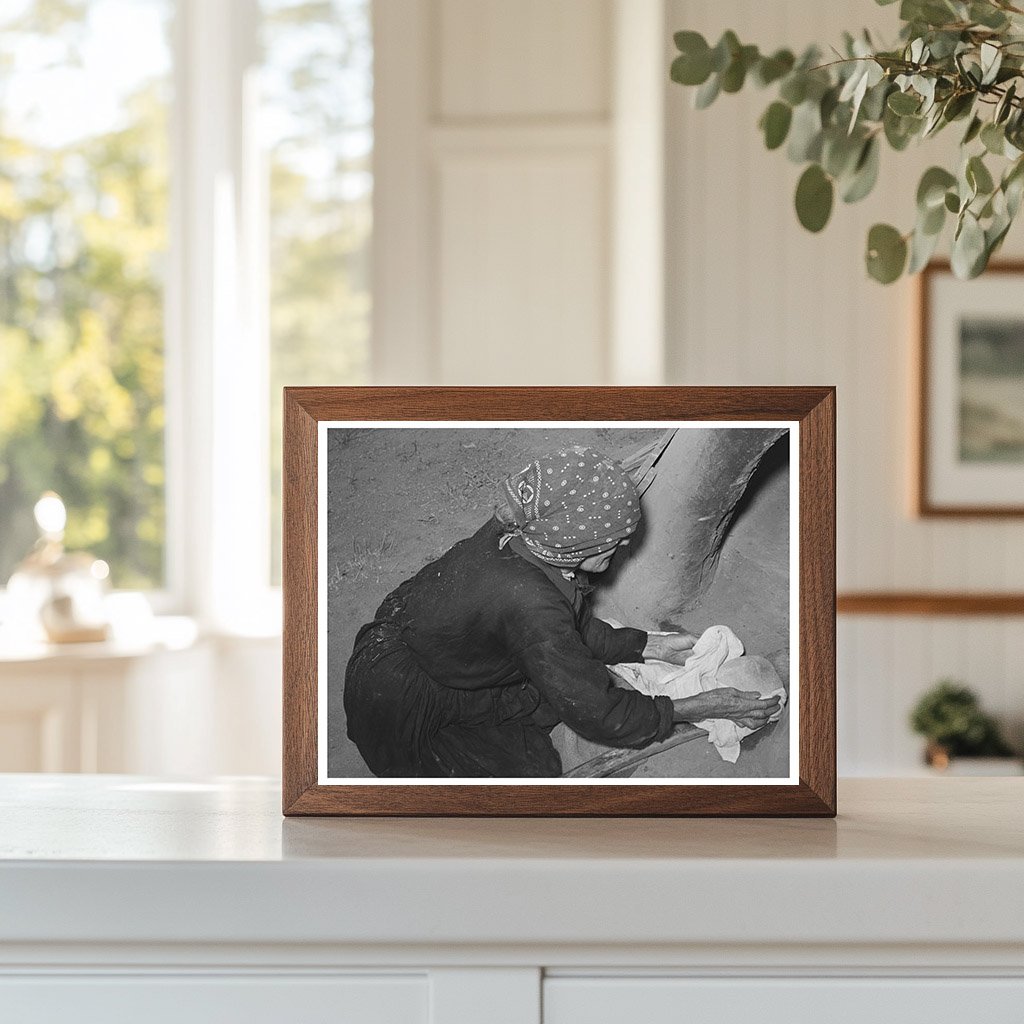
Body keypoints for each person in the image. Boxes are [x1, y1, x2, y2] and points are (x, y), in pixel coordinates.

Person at [344, 445, 780, 778]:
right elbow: (603, 716)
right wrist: (698, 705)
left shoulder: (525, 534)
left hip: (428, 650)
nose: (624, 545)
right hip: (402, 704)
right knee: (533, 775)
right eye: (614, 539)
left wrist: (648, 646)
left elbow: (564, 625)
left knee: (549, 693)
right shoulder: (530, 602)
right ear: (576, 545)